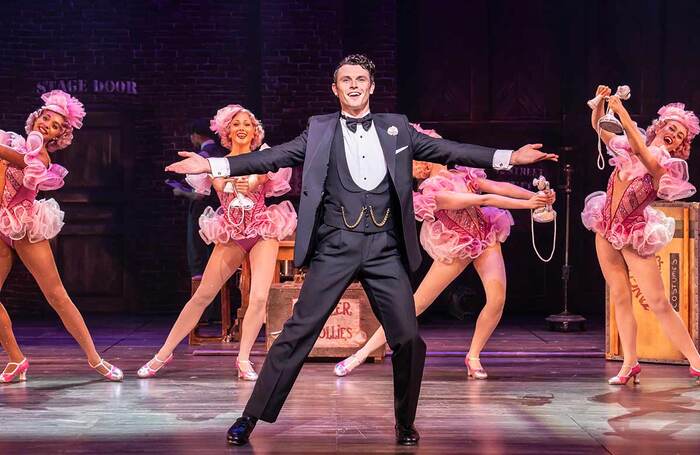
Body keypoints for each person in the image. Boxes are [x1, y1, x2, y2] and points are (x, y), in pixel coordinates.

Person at [166, 54, 557, 446]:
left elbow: (453, 151)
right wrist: (212, 166)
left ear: (371, 87)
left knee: (407, 337)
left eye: (360, 79)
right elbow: (273, 156)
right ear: (335, 89)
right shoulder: (319, 130)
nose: (354, 85)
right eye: (346, 80)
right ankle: (250, 417)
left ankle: (405, 422)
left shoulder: (397, 128)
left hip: (385, 247)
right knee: (297, 332)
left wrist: (510, 157)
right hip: (336, 245)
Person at [334, 125, 555, 379]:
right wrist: (528, 204)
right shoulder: (431, 191)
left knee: (496, 299)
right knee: (416, 304)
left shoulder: (463, 175)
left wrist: (538, 197)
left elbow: (497, 187)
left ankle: (473, 356)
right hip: (456, 243)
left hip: (485, 235)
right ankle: (360, 355)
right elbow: (482, 200)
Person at [138, 105, 296, 381]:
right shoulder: (216, 163)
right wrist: (231, 182)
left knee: (259, 296)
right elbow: (220, 186)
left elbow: (261, 177)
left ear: (255, 131)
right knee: (202, 295)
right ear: (227, 132)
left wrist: (254, 180)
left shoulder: (263, 158)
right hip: (232, 232)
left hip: (262, 229)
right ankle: (162, 353)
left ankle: (244, 359)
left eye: (248, 123)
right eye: (237, 124)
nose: (243, 128)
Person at [0, 90, 123, 383]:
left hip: (26, 227)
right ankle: (16, 358)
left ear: (58, 136)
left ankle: (96, 358)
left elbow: (20, 161)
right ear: (36, 117)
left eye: (55, 125)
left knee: (57, 295)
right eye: (45, 118)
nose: (47, 125)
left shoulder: (39, 155)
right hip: (1, 223)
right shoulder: (10, 140)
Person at [582, 85, 700, 385]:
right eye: (671, 127)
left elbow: (646, 157)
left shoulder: (667, 165)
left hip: (635, 234)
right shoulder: (628, 147)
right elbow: (601, 128)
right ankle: (629, 363)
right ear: (660, 127)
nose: (674, 134)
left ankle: (696, 359)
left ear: (678, 146)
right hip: (605, 228)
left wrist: (622, 114)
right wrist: (602, 104)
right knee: (621, 297)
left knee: (658, 302)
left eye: (680, 135)